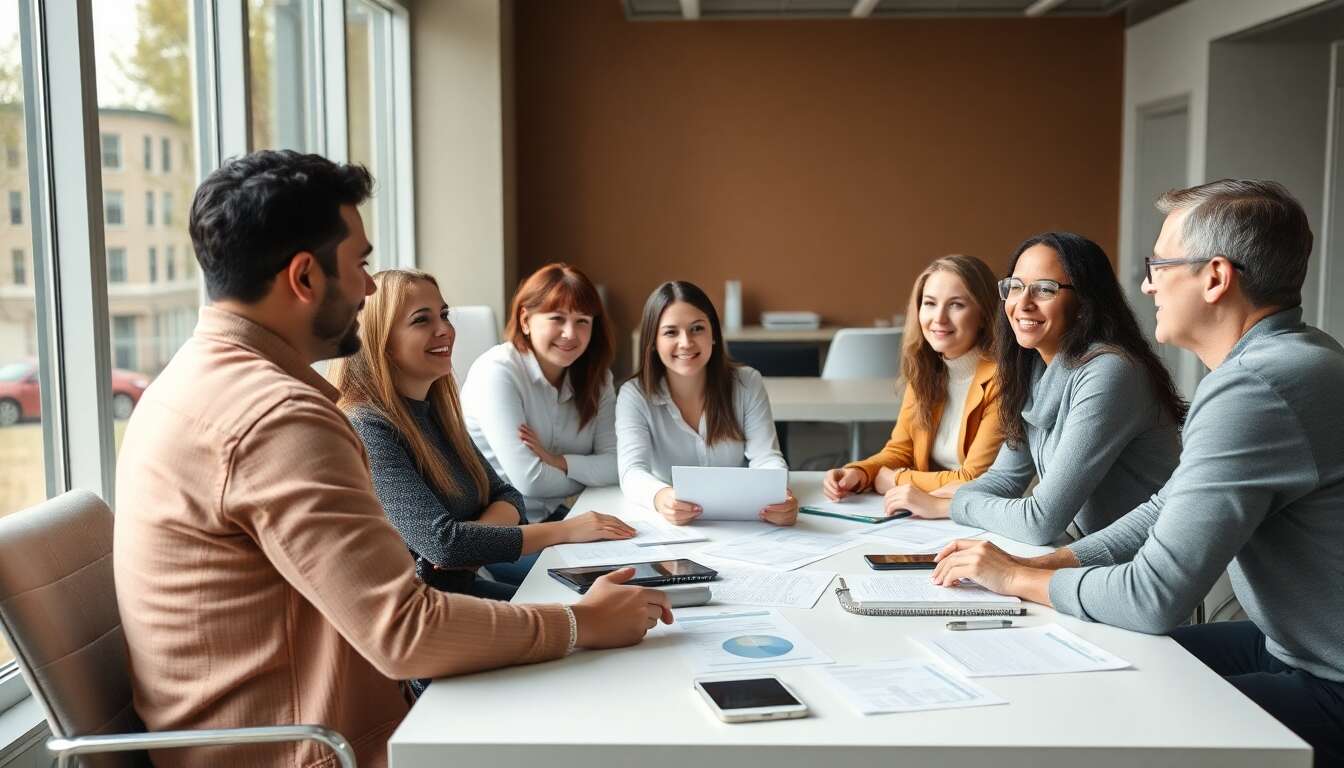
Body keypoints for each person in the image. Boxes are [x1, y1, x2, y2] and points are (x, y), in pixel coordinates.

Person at [113, 150, 671, 768]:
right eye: (360, 265)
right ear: (303, 278)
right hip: (315, 748)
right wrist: (579, 625)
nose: (369, 287)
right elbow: (407, 632)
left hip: (284, 726)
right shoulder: (278, 420)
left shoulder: (190, 383)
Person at [930, 180, 1344, 767]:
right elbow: (1162, 505)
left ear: (1216, 277)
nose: (1148, 284)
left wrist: (1015, 581)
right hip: (1290, 646)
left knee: (1100, 714)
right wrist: (1048, 563)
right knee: (1092, 659)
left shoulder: (1255, 387)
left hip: (1329, 679)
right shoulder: (1293, 357)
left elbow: (1152, 598)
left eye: (1159, 265)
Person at [330, 268, 636, 604]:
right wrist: (565, 530)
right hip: (424, 612)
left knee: (622, 602)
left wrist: (470, 544)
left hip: (458, 591)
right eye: (422, 320)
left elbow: (508, 496)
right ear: (381, 338)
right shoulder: (367, 426)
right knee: (600, 611)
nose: (444, 329)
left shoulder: (436, 411)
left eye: (444, 315)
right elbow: (445, 545)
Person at [919, 232, 1185, 545]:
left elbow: (1040, 521)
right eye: (1015, 287)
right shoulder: (1033, 369)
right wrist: (966, 501)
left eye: (1045, 289)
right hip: (1082, 557)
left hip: (1137, 573)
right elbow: (1004, 478)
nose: (1023, 303)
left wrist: (956, 504)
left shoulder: (1110, 372)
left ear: (1085, 302)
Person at [823, 254, 1004, 518]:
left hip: (976, 517)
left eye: (956, 305)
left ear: (984, 315)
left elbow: (974, 479)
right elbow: (901, 450)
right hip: (926, 516)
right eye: (929, 303)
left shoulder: (1002, 380)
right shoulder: (926, 372)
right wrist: (860, 472)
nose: (938, 318)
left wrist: (897, 481)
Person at [616, 280, 797, 526]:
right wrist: (660, 497)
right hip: (670, 524)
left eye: (697, 329)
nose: (686, 342)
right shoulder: (634, 395)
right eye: (671, 332)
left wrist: (777, 495)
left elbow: (766, 457)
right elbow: (632, 472)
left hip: (741, 518)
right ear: (653, 344)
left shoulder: (747, 382)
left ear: (713, 334)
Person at [461, 263, 617, 532]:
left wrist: (558, 462)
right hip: (499, 533)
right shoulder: (497, 371)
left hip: (559, 518)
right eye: (557, 318)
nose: (570, 333)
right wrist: (589, 474)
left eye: (582, 321)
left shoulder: (598, 379)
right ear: (525, 320)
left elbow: (616, 465)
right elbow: (530, 481)